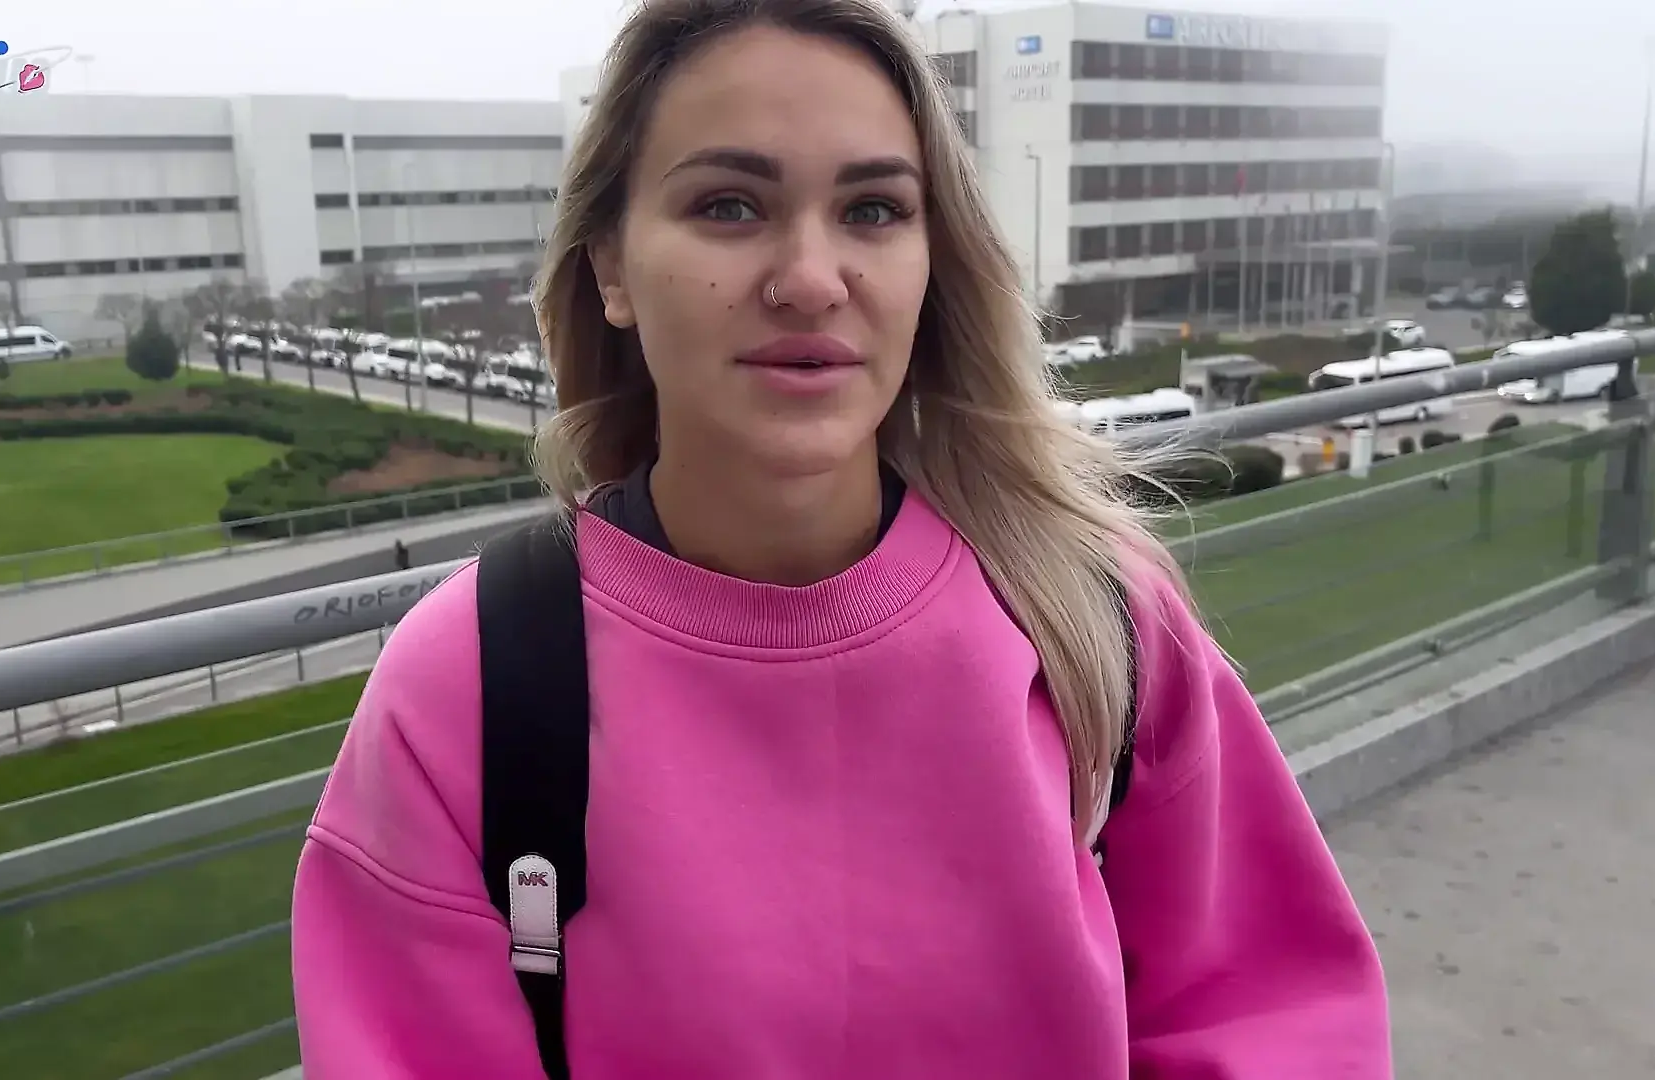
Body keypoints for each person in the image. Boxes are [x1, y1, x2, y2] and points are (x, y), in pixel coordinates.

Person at [290, 0, 1393, 1076]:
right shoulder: (465, 683)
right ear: (610, 267)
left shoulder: (1097, 617)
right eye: (729, 205)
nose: (812, 282)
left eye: (873, 210)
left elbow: (1271, 1019)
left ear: (933, 259)